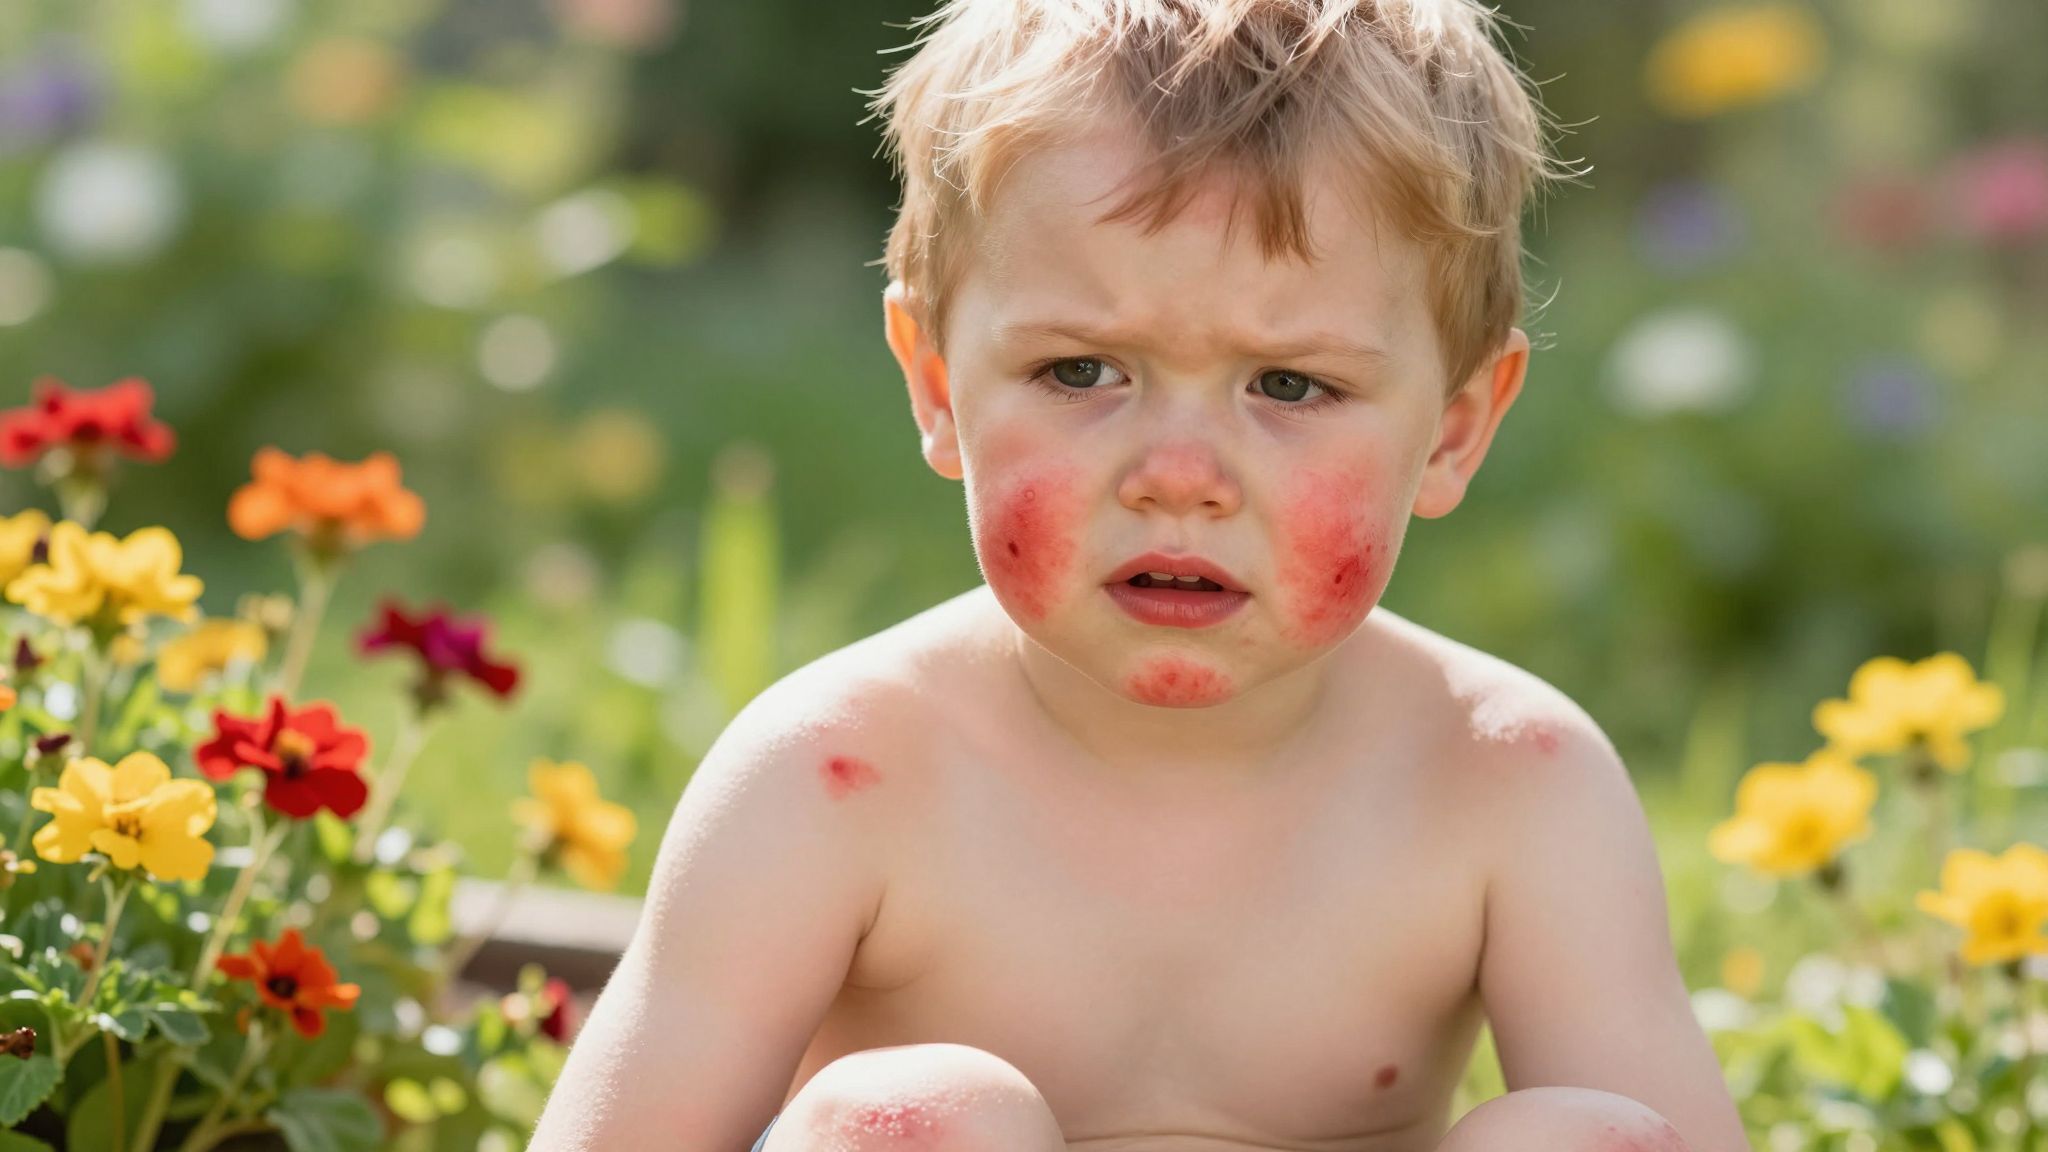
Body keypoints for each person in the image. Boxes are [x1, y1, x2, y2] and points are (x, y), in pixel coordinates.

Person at [531, 1, 1751, 1149]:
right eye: (1080, 371)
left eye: (1289, 385)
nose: (1178, 476)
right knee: (917, 1117)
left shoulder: (1503, 780)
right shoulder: (840, 772)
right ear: (938, 385)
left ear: (1453, 428)